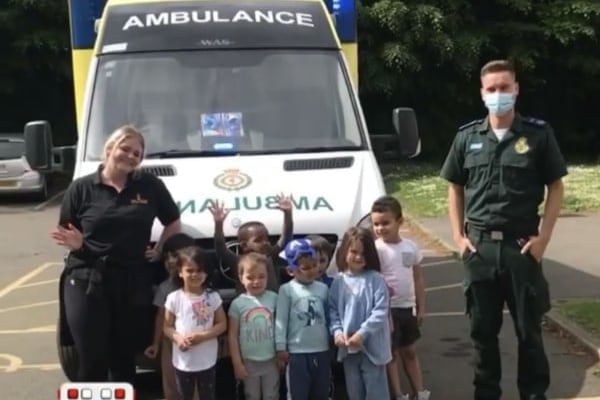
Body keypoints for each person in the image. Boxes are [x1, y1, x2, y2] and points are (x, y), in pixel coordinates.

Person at [440, 59, 567, 400]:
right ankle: (486, 394)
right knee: (482, 333)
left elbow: (556, 186)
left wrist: (544, 238)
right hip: (479, 250)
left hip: (521, 248)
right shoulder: (467, 137)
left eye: (504, 88)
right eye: (491, 89)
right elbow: (454, 186)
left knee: (529, 332)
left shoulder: (538, 135)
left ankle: (534, 394)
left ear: (516, 89)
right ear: (482, 94)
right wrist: (457, 236)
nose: (498, 94)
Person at [51, 125, 181, 383]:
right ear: (109, 149)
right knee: (91, 359)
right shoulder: (81, 188)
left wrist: (159, 251)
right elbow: (66, 232)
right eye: (126, 148)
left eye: (137, 153)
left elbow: (173, 221)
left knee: (123, 360)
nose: (131, 156)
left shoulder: (150, 185)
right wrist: (77, 245)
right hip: (87, 278)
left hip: (132, 281)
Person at [370, 196, 429, 400]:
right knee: (391, 354)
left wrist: (421, 307)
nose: (380, 228)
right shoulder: (375, 249)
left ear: (400, 221)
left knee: (410, 351)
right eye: (376, 224)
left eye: (385, 223)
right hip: (386, 311)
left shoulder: (410, 247)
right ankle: (398, 393)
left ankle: (419, 391)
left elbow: (418, 279)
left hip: (407, 308)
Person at [328, 226, 391, 400]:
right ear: (344, 252)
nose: (358, 257)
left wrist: (362, 334)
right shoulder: (338, 281)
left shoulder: (376, 279)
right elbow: (333, 312)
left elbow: (380, 311)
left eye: (363, 254)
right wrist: (338, 333)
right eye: (354, 251)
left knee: (375, 391)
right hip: (349, 349)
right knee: (354, 391)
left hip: (372, 349)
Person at [163, 246, 227, 400]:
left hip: (207, 359)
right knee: (185, 395)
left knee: (207, 395)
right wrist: (178, 338)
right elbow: (167, 326)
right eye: (190, 270)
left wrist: (203, 336)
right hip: (183, 361)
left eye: (199, 270)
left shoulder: (212, 297)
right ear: (180, 272)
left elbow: (222, 324)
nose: (195, 274)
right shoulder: (174, 298)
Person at [275, 239, 330, 400]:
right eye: (305, 268)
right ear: (291, 270)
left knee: (321, 391)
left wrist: (332, 339)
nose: (312, 271)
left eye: (314, 266)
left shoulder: (323, 289)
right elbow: (281, 319)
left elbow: (327, 316)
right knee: (298, 393)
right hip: (297, 352)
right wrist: (280, 347)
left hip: (321, 349)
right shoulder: (287, 290)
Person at [144, 233, 197, 400]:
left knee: (197, 382)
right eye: (168, 256)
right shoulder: (165, 288)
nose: (172, 261)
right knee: (171, 382)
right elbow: (161, 317)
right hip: (170, 342)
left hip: (197, 340)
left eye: (177, 255)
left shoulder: (202, 287)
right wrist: (156, 343)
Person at [208, 196, 293, 292]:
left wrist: (288, 214)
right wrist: (218, 224)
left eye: (266, 239)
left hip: (271, 305)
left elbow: (285, 238)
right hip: (248, 306)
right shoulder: (238, 261)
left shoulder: (270, 256)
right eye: (258, 240)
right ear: (244, 245)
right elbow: (221, 249)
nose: (265, 243)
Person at [228, 253, 280, 400]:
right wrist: (237, 363)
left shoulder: (275, 298)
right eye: (250, 277)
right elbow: (232, 335)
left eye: (261, 276)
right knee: (251, 395)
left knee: (271, 395)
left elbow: (281, 328)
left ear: (268, 277)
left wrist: (281, 353)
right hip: (249, 362)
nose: (256, 281)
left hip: (271, 360)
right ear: (241, 278)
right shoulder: (238, 304)